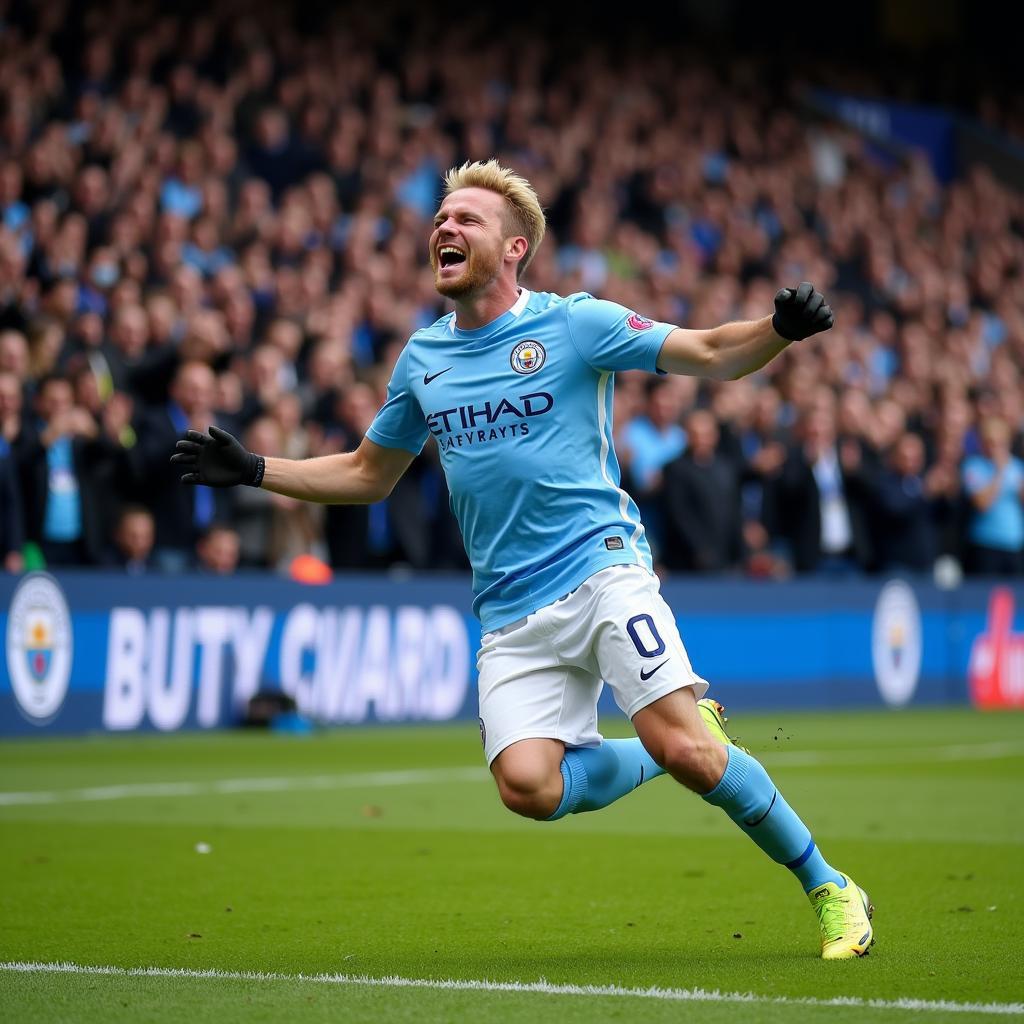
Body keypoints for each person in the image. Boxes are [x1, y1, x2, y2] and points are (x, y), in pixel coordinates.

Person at [172, 160, 873, 959]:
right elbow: (370, 474)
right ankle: (662, 747)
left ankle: (829, 885)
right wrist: (259, 470)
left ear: (514, 248)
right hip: (508, 607)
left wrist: (776, 332)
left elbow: (711, 352)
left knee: (690, 752)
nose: (444, 228)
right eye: (440, 217)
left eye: (465, 219)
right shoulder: (423, 359)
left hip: (601, 568)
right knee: (529, 788)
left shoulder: (576, 324)